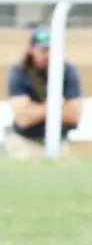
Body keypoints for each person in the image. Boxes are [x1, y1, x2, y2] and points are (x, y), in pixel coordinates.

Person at [4, 25, 83, 158]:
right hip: (25, 141)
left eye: (53, 49)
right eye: (44, 50)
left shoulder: (69, 71)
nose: (48, 55)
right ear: (31, 50)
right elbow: (23, 118)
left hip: (59, 141)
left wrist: (36, 110)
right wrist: (55, 105)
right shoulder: (19, 72)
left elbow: (74, 116)